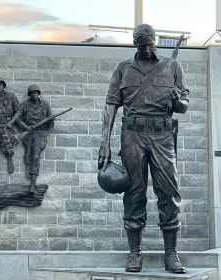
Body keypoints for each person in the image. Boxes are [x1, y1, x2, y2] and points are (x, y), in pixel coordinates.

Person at [98, 24, 189, 274]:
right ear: (135, 43)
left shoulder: (173, 66)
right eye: (142, 44)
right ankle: (134, 253)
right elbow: (110, 105)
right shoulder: (123, 68)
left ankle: (171, 254)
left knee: (169, 191)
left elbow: (183, 106)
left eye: (150, 44)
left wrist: (175, 99)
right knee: (134, 193)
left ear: (156, 41)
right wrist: (104, 143)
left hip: (162, 135)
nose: (147, 49)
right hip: (133, 135)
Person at [13, 85, 53, 194]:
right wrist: (25, 127)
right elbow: (17, 118)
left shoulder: (45, 105)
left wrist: (50, 120)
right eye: (32, 93)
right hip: (29, 133)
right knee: (27, 157)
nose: (34, 95)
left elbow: (51, 121)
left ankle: (33, 183)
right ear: (29, 94)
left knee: (35, 157)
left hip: (40, 134)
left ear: (39, 93)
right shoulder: (24, 105)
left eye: (36, 93)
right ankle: (29, 172)